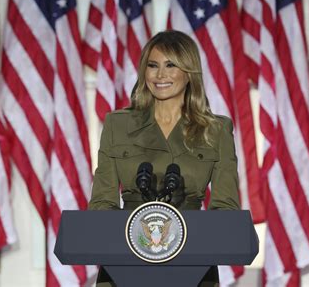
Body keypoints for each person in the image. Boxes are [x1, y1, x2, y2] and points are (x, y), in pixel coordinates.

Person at [88, 30, 240, 286]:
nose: (160, 75)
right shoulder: (118, 125)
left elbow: (225, 209)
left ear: (189, 72)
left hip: (193, 262)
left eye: (171, 65)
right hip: (125, 260)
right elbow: (103, 202)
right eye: (153, 65)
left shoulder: (216, 130)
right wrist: (117, 242)